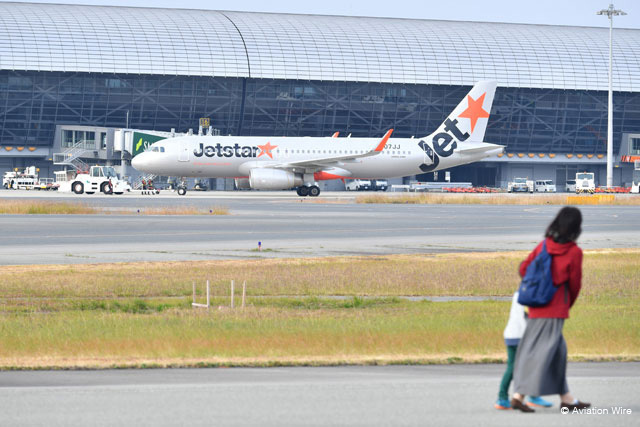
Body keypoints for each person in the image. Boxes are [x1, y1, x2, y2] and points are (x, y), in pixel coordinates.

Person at [510, 206, 590, 413]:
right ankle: (519, 395)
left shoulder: (544, 245)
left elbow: (523, 268)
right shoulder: (574, 252)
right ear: (576, 227)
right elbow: (575, 284)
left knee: (557, 353)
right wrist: (566, 304)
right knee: (539, 354)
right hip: (555, 308)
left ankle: (567, 399)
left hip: (536, 306)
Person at [495, 291, 553, 410]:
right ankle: (504, 398)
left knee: (521, 367)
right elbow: (523, 317)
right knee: (518, 367)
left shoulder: (523, 292)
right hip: (519, 336)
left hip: (513, 334)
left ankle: (528, 396)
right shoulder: (526, 294)